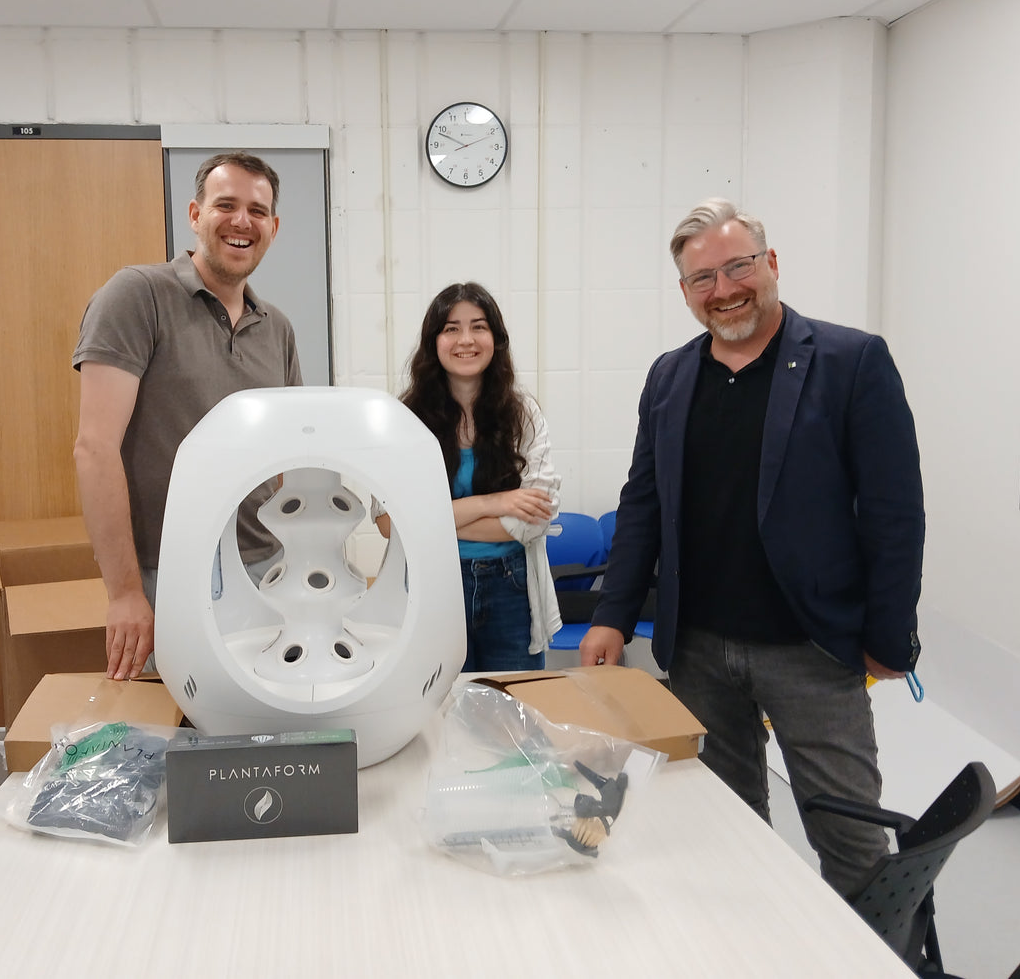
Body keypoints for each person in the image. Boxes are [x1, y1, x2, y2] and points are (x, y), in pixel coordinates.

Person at [579, 198, 924, 897]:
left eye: (736, 267)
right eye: (700, 279)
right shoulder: (669, 377)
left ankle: (883, 958)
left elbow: (893, 516)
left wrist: (890, 638)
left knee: (850, 837)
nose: (722, 289)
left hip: (812, 648)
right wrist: (611, 613)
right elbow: (641, 501)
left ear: (770, 264)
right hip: (699, 648)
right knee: (725, 827)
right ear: (683, 293)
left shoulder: (850, 361)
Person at [72, 151, 301, 681]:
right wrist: (126, 593)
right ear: (196, 215)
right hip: (164, 576)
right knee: (172, 738)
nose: (242, 221)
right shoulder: (137, 296)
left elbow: (282, 460)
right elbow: (94, 448)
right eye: (226, 205)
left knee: (261, 733)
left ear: (274, 226)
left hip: (263, 569)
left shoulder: (278, 328)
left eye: (257, 210)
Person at [382, 282, 561, 671]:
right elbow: (387, 523)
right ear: (434, 342)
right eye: (451, 328)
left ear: (495, 338)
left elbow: (536, 519)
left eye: (478, 326)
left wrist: (430, 519)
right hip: (436, 586)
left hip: (511, 587)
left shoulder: (523, 414)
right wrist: (493, 503)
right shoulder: (405, 419)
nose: (466, 340)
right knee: (439, 714)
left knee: (515, 715)